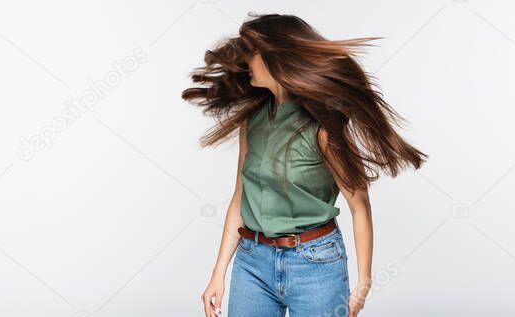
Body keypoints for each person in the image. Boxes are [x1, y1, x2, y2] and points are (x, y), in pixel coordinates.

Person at [181, 13, 427, 316]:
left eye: (252, 52)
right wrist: (218, 273)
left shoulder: (323, 129)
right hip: (252, 262)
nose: (245, 61)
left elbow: (359, 205)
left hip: (315, 264)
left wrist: (363, 284)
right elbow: (239, 198)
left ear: (276, 55)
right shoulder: (252, 123)